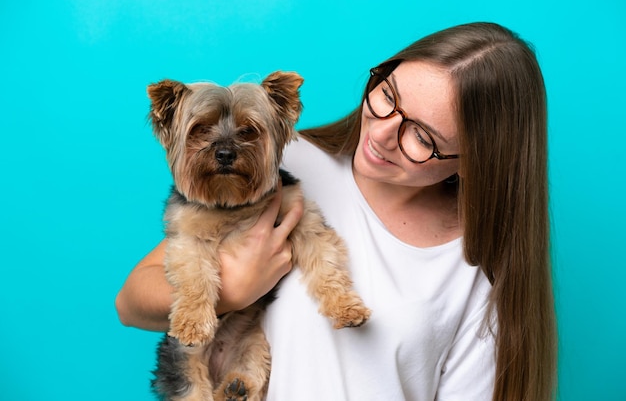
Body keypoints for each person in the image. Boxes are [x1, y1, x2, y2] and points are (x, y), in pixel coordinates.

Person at [116, 22, 557, 401]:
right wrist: (232, 291)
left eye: (421, 137)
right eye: (387, 95)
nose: (382, 134)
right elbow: (131, 301)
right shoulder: (281, 167)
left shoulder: (474, 276)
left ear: (475, 161)